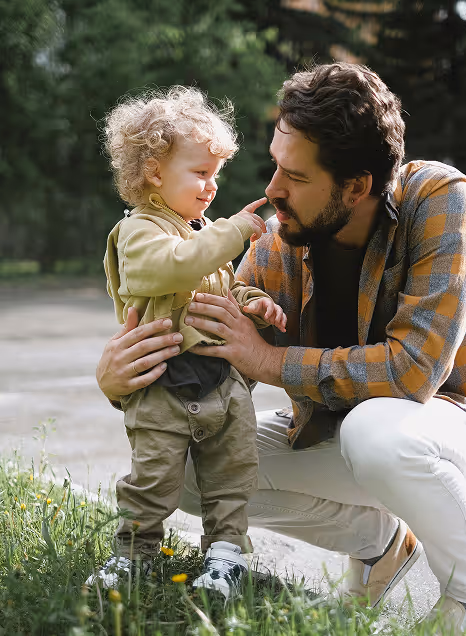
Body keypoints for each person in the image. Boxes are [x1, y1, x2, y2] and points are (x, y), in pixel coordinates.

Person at [96, 64, 466, 633]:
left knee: (376, 432)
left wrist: (266, 359)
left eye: (295, 176)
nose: (272, 190)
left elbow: (414, 372)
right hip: (340, 436)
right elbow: (214, 356)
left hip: (463, 436)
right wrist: (119, 381)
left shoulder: (439, 198)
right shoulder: (283, 235)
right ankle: (383, 543)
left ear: (356, 186)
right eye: (275, 165)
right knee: (187, 468)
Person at [88, 86, 287, 600]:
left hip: (221, 385)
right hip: (162, 388)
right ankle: (134, 554)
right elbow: (173, 268)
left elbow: (215, 279)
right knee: (152, 480)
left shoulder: (196, 233)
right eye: (201, 172)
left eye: (216, 174)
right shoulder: (140, 232)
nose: (212, 186)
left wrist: (251, 300)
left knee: (232, 476)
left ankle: (225, 556)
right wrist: (237, 229)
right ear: (155, 172)